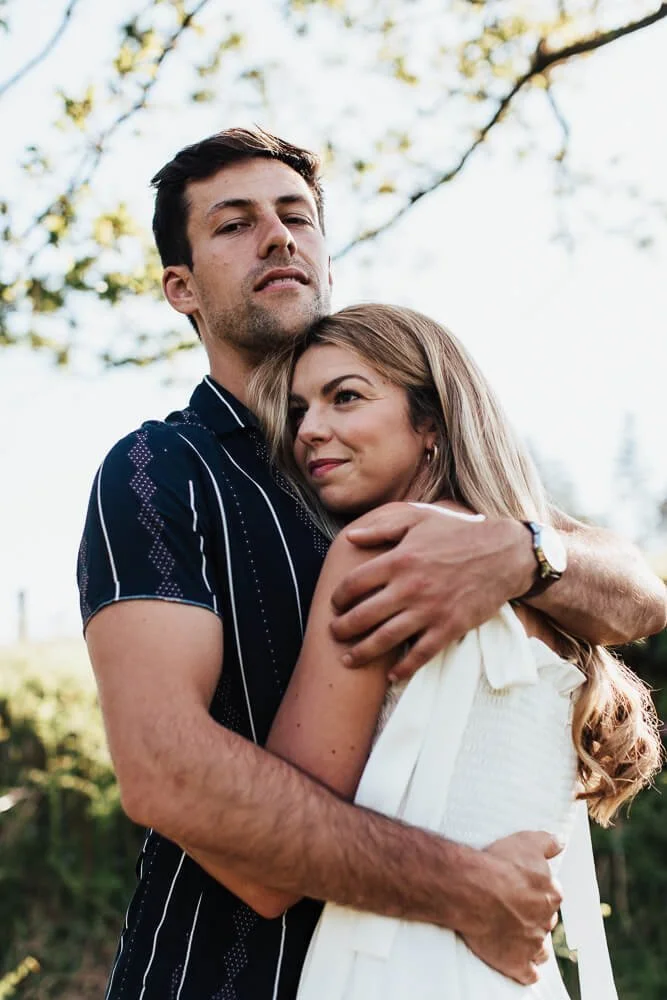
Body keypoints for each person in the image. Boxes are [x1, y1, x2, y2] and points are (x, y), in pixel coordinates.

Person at [77, 128, 667, 1000]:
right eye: (234, 225)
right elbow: (169, 770)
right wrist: (466, 886)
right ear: (181, 287)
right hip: (223, 974)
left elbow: (640, 595)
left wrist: (522, 550)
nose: (278, 237)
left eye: (297, 217)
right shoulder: (162, 469)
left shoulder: (405, 478)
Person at [240, 303, 662, 998]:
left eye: (345, 397)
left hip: (389, 964)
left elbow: (276, 850)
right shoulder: (540, 583)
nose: (308, 430)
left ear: (430, 421)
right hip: (517, 975)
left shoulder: (376, 554)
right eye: (298, 408)